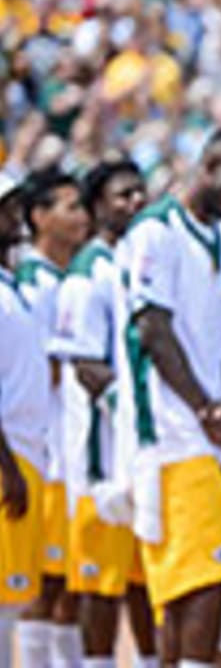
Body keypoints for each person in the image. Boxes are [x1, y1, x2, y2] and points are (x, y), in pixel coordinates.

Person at [117, 125, 221, 664]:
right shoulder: (155, 231)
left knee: (204, 587)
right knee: (199, 587)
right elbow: (153, 330)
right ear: (208, 167)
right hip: (173, 431)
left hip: (216, 431)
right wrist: (207, 410)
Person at [54, 159, 158, 667]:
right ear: (98, 207)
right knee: (101, 585)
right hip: (99, 455)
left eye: (140, 193)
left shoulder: (136, 260)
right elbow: (83, 362)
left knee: (143, 578)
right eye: (122, 196)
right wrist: (128, 403)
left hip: (139, 449)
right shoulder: (87, 273)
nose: (135, 202)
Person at [15, 167, 91, 667]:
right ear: (38, 217)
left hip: (73, 444)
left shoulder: (73, 275)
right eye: (68, 207)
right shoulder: (32, 283)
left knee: (70, 579)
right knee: (41, 580)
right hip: (45, 445)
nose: (80, 216)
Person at [1, 172, 54, 667]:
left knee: (11, 606)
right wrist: (7, 468)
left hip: (25, 452)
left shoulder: (11, 285)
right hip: (7, 460)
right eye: (5, 209)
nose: (15, 221)